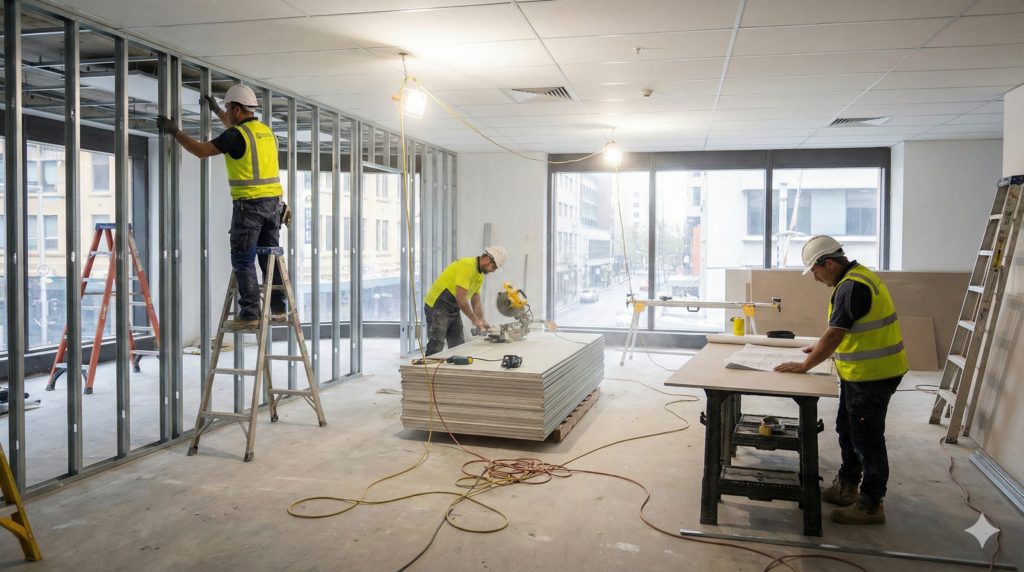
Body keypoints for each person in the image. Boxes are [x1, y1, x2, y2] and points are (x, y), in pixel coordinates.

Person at [774, 235, 907, 525]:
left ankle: (871, 505)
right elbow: (844, 328)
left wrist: (805, 365)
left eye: (815, 271)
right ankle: (847, 488)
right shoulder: (859, 277)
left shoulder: (851, 286)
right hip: (861, 373)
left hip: (873, 376)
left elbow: (835, 334)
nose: (815, 278)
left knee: (867, 440)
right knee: (847, 429)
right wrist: (820, 347)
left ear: (829, 263)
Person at [156, 84, 291, 329]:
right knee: (268, 258)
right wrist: (218, 110)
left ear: (237, 109)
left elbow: (200, 151)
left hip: (249, 206)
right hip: (274, 206)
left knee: (243, 258)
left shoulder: (236, 136)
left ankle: (250, 313)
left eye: (229, 108)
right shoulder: (265, 132)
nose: (227, 112)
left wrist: (174, 131)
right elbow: (238, 133)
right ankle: (279, 306)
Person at [422, 246, 506, 356]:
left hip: (453, 308)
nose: (493, 271)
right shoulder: (467, 266)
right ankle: (429, 372)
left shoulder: (480, 274)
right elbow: (460, 298)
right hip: (438, 305)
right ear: (487, 260)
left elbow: (476, 301)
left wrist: (482, 321)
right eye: (494, 267)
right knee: (436, 346)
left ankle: (454, 372)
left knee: (459, 347)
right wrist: (474, 320)